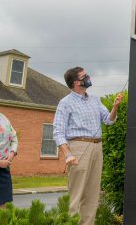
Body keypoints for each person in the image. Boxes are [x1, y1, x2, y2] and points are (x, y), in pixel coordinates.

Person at [53, 67, 124, 225]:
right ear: (77, 82)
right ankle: (69, 222)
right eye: (85, 76)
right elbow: (58, 132)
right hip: (78, 147)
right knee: (76, 194)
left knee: (92, 194)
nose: (89, 77)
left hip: (97, 147)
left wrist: (115, 106)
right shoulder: (65, 103)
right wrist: (68, 154)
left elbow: (109, 120)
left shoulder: (95, 99)